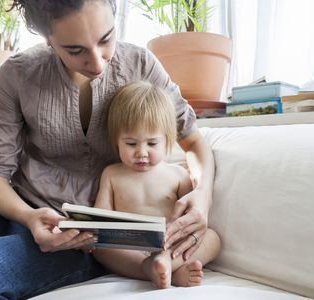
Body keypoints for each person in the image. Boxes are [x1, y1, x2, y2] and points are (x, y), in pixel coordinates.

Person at [0, 0, 215, 298]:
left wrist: (202, 195)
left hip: (80, 237)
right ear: (47, 39)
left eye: (106, 38)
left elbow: (194, 142)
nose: (97, 63)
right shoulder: (17, 75)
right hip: (10, 209)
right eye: (74, 50)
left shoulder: (140, 65)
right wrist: (28, 216)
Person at [93, 81, 221, 289]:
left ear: (168, 140)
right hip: (129, 246)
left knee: (213, 238)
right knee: (99, 247)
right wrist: (91, 232)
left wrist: (174, 243)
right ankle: (151, 269)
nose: (141, 152)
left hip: (169, 244)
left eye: (152, 144)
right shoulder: (111, 174)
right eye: (131, 143)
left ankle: (166, 263)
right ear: (116, 141)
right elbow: (100, 218)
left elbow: (190, 218)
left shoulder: (179, 175)